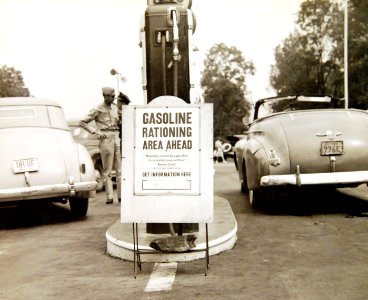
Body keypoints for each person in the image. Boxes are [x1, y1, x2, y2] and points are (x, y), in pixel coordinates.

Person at [80, 87, 121, 204]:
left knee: (119, 169)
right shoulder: (97, 109)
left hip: (116, 136)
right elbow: (82, 122)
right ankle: (109, 197)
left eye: (114, 96)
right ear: (105, 96)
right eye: (111, 96)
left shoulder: (115, 108)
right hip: (106, 138)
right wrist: (96, 132)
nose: (113, 98)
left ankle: (121, 196)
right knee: (107, 170)